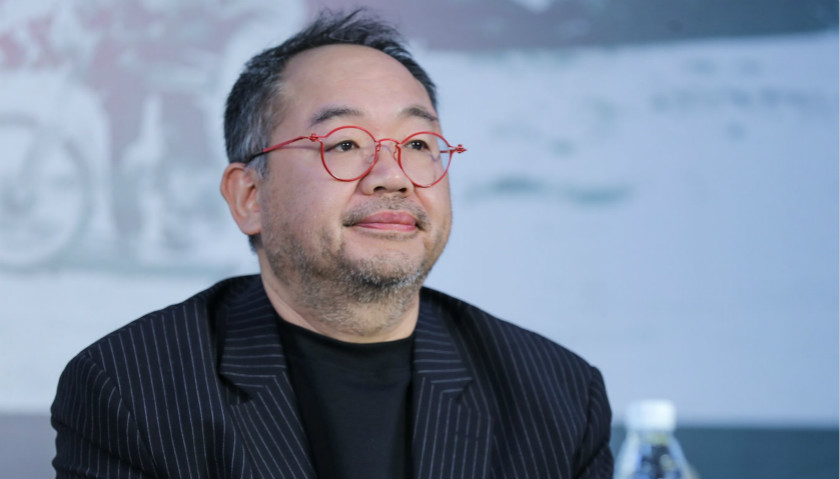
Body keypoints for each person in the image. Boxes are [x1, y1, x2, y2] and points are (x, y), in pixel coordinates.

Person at [51, 9, 613, 479]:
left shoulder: (558, 395)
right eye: (344, 144)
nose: (393, 177)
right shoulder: (132, 386)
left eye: (419, 144)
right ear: (249, 196)